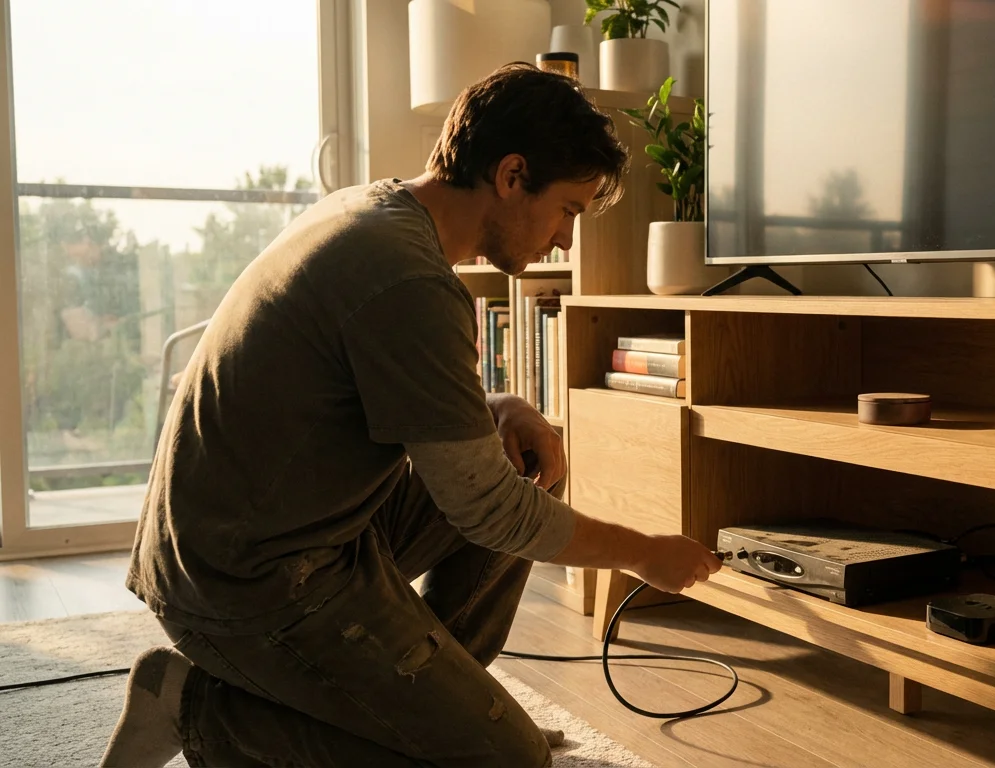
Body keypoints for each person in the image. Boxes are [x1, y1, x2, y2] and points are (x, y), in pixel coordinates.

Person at [100, 63, 722, 768]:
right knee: (507, 760)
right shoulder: (408, 279)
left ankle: (432, 703)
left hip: (267, 535)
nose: (565, 242)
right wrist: (646, 554)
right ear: (512, 175)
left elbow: (369, 397)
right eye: (568, 212)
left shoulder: (372, 213)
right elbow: (490, 514)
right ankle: (193, 708)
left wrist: (500, 406)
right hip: (248, 582)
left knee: (520, 466)